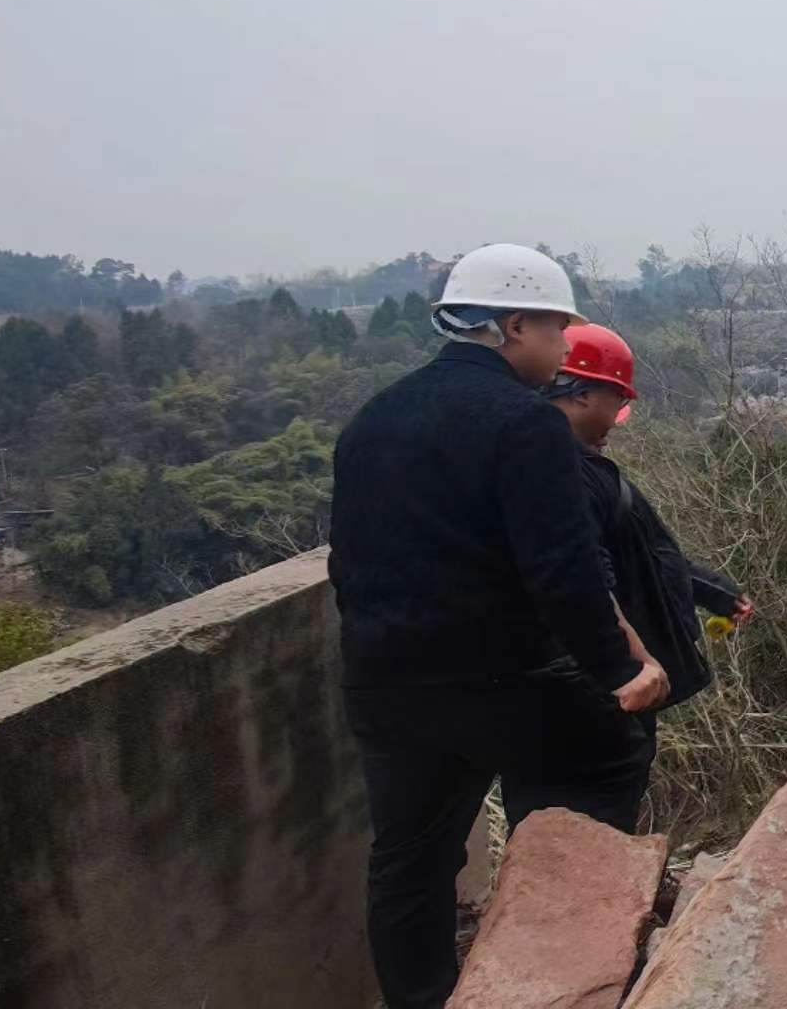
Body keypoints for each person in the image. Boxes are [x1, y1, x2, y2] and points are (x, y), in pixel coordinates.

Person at [328, 244, 668, 1009]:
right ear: (513, 326)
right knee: (599, 771)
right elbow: (562, 571)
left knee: (410, 860)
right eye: (555, 330)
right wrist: (623, 671)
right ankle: (557, 982)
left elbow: (348, 563)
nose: (562, 347)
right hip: (502, 677)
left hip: (385, 683)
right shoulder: (525, 422)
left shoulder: (371, 420)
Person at [545, 323, 755, 761]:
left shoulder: (587, 470)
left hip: (606, 681)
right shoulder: (563, 476)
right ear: (581, 393)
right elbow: (582, 581)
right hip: (599, 688)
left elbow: (645, 554)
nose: (617, 417)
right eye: (618, 400)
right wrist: (628, 667)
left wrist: (714, 592)